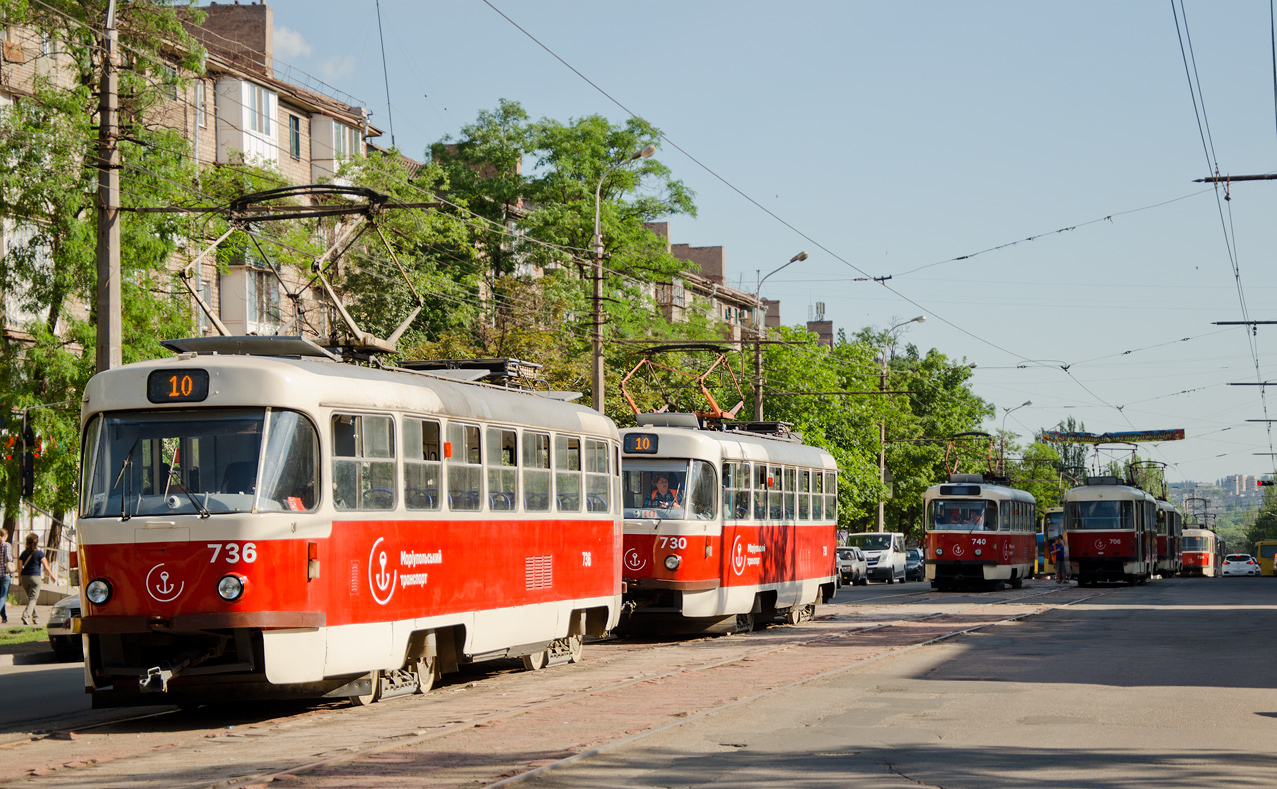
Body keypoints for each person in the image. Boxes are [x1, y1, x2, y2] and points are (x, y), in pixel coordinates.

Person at [18, 533, 56, 626]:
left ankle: (35, 617)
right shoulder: (39, 553)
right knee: (33, 599)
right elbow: (46, 566)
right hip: (35, 578)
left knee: (31, 599)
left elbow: (19, 567)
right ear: (36, 542)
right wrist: (51, 575)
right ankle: (26, 615)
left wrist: (19, 579)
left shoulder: (23, 553)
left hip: (24, 578)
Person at [0, 527, 12, 624]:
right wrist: (11, 559)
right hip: (4, 574)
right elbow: (8, 557)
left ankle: (4, 618)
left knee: (1, 596)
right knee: (4, 596)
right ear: (5, 536)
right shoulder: (6, 545)